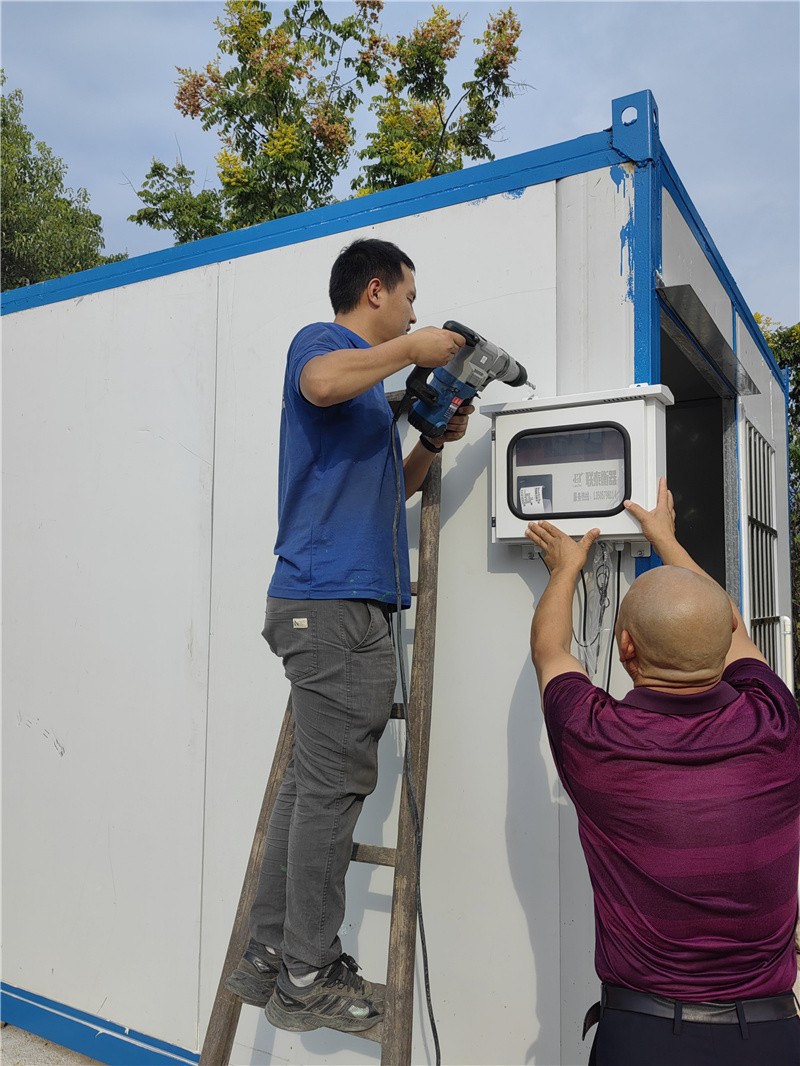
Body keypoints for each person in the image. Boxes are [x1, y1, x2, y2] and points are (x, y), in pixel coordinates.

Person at [224, 238, 471, 1034]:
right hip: (331, 604)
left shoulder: (366, 400)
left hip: (338, 600)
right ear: (375, 290)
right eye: (408, 297)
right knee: (332, 792)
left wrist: (431, 441)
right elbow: (321, 381)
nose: (412, 310)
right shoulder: (323, 345)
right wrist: (411, 351)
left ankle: (269, 951)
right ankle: (307, 972)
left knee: (309, 788)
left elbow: (391, 491)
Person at [526, 477, 800, 1066]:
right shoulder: (777, 724)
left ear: (625, 648)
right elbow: (732, 626)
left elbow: (550, 650)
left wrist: (564, 570)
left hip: (644, 1039)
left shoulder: (596, 739)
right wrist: (666, 540)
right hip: (772, 1038)